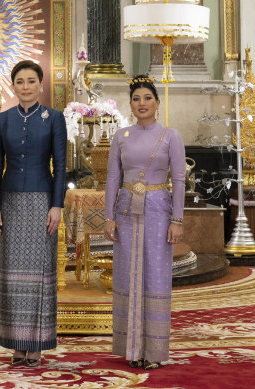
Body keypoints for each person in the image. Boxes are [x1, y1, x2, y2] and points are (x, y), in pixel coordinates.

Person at [104, 75, 185, 370]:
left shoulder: (170, 136)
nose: (142, 103)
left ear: (157, 103)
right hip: (126, 210)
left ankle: (153, 351)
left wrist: (177, 219)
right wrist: (108, 216)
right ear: (130, 104)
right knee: (127, 275)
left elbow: (178, 179)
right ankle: (131, 348)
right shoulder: (121, 136)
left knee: (154, 275)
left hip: (158, 209)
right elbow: (113, 177)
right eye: (136, 99)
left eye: (147, 98)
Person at [0, 60, 67, 366]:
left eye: (31, 81)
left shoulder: (54, 118)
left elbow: (60, 165)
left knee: (40, 275)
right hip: (9, 203)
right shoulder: (3, 119)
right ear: (13, 86)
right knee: (12, 276)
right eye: (20, 81)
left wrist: (57, 205)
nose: (25, 86)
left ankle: (36, 345)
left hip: (42, 202)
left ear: (41, 84)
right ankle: (16, 346)